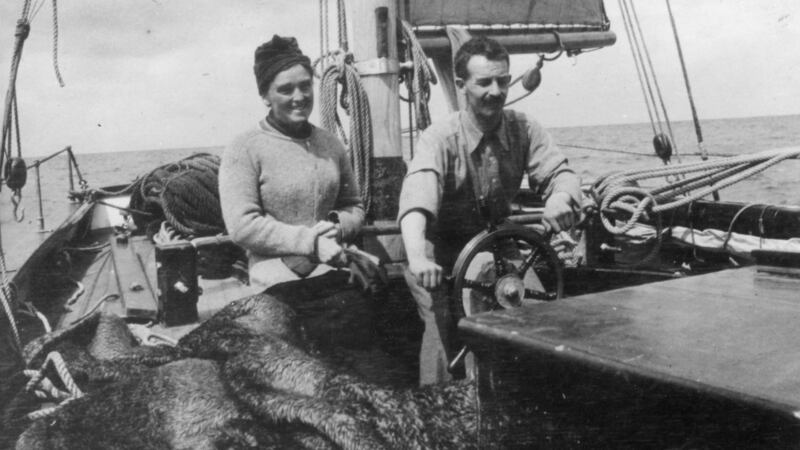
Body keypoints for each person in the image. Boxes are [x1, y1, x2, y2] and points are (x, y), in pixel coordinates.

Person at [397, 36, 582, 385]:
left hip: (497, 243)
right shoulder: (439, 138)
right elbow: (416, 202)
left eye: (502, 80)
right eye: (484, 82)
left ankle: (525, 398)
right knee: (443, 336)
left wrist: (561, 198)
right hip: (440, 254)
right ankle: (437, 412)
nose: (495, 91)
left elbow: (562, 175)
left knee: (541, 317)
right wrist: (418, 258)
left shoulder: (524, 128)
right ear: (461, 85)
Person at [219, 35, 365, 291]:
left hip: (334, 260)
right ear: (265, 95)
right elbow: (243, 226)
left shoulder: (331, 144)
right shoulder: (244, 148)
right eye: (286, 89)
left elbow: (353, 205)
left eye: (305, 86)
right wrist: (311, 242)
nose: (299, 97)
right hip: (275, 272)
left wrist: (336, 227)